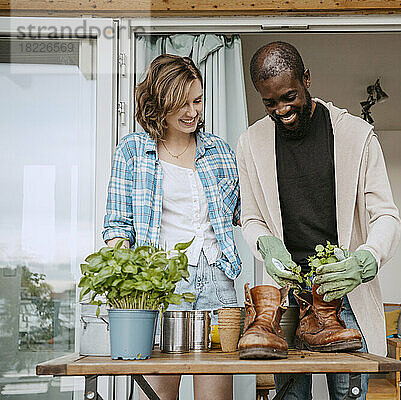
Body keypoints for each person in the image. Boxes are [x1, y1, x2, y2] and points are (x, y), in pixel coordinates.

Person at [236, 41, 401, 400]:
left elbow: (386, 214)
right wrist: (266, 246)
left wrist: (365, 260)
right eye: (269, 102)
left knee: (349, 395)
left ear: (307, 79)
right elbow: (251, 217)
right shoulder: (250, 143)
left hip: (343, 295)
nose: (281, 110)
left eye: (289, 96)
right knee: (291, 397)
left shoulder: (356, 136)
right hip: (288, 295)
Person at [103, 54, 241, 400]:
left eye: (198, 100)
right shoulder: (133, 151)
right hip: (163, 285)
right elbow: (118, 226)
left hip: (218, 280)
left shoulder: (219, 151)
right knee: (159, 396)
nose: (193, 112)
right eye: (182, 103)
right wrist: (122, 284)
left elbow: (246, 214)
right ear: (158, 103)